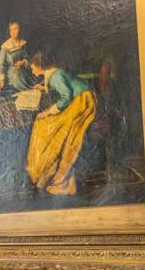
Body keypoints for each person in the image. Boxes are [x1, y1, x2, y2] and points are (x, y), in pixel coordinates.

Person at [25, 53, 96, 196]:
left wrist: (47, 112)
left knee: (49, 126)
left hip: (83, 102)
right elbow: (66, 87)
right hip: (80, 99)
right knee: (48, 124)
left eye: (33, 68)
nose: (32, 71)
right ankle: (42, 170)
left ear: (40, 67)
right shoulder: (54, 74)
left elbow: (66, 96)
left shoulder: (55, 76)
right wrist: (43, 88)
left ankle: (44, 171)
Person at [0, 21, 37, 92]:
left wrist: (23, 62)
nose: (13, 32)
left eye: (15, 29)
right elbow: (0, 65)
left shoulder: (23, 43)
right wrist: (2, 81)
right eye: (11, 30)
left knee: (35, 84)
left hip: (23, 73)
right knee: (19, 84)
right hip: (12, 76)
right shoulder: (5, 46)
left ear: (19, 30)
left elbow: (27, 58)